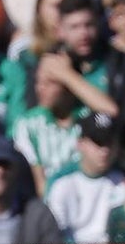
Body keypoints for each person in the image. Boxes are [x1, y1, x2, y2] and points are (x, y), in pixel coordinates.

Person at [45, 112, 125, 244]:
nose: (105, 150)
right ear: (80, 143)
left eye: (109, 143)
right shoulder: (61, 181)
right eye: (98, 142)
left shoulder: (122, 181)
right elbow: (54, 230)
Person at [13, 61, 81, 197]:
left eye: (49, 83)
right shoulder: (27, 123)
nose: (40, 89)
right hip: (46, 200)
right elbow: (40, 185)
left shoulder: (85, 120)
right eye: (38, 82)